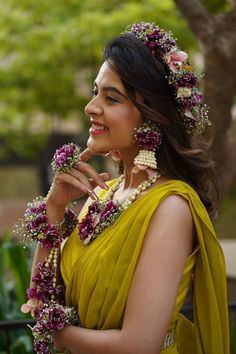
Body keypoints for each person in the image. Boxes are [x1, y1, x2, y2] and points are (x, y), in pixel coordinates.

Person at [23, 22, 230, 354]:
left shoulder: (169, 208)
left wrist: (56, 333)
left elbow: (138, 344)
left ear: (151, 116)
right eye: (95, 92)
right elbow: (41, 300)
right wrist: (54, 209)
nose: (91, 107)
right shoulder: (101, 197)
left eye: (111, 98)